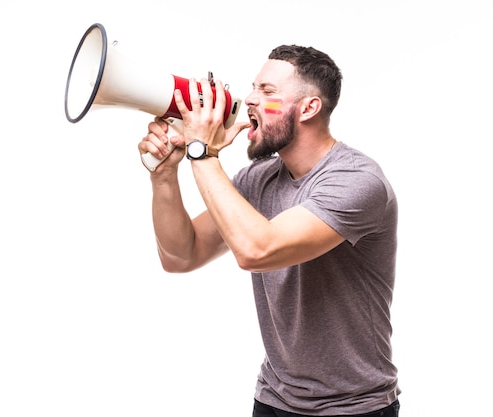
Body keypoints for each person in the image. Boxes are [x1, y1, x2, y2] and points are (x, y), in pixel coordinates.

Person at [138, 45, 401, 417]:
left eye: (268, 92)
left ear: (309, 108)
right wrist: (164, 177)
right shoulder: (258, 180)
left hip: (353, 408)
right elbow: (182, 256)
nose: (249, 100)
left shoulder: (357, 181)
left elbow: (258, 250)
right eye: (252, 88)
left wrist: (203, 153)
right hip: (274, 399)